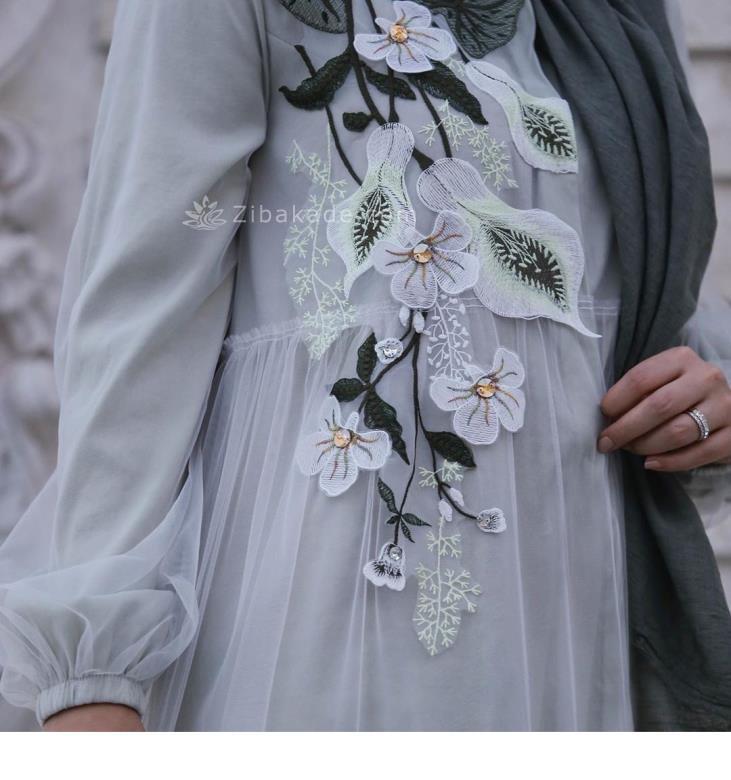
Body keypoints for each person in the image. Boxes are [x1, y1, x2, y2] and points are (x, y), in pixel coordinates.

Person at [1, 0, 730, 732]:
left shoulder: (626, 10)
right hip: (331, 617)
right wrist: (93, 680)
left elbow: (649, 296)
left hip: (580, 614)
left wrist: (704, 399)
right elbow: (142, 311)